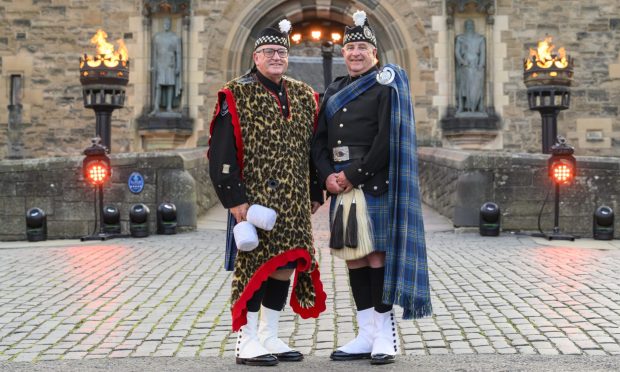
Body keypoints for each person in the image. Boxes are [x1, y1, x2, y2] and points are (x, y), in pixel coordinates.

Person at [311, 10, 432, 365]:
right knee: (354, 258)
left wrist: (354, 175)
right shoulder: (333, 90)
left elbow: (387, 139)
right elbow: (318, 141)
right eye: (350, 47)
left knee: (376, 255)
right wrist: (326, 176)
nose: (355, 53)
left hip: (372, 181)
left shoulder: (385, 84)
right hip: (342, 185)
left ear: (375, 53)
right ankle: (365, 334)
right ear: (344, 52)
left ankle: (386, 334)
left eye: (363, 47)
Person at [208, 19, 326, 367]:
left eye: (281, 52)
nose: (276, 57)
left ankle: (269, 334)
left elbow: (311, 148)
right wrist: (234, 200)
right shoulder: (236, 93)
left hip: (294, 202)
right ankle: (246, 340)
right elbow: (220, 153)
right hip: (254, 202)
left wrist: (316, 189)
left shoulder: (304, 95)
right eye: (269, 52)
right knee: (253, 267)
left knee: (286, 265)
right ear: (256, 57)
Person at [150, 17, 182, 114]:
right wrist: (153, 65)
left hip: (170, 64)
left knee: (170, 85)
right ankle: (156, 107)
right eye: (165, 23)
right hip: (160, 64)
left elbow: (178, 53)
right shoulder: (157, 37)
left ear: (170, 24)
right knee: (159, 85)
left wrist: (178, 66)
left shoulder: (174, 37)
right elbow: (154, 53)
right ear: (163, 24)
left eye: (168, 23)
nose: (166, 24)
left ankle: (169, 107)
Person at [455, 19, 486, 114]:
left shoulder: (480, 38)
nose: (469, 26)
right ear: (465, 26)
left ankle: (479, 106)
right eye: (467, 24)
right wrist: (462, 61)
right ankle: (461, 106)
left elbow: (482, 53)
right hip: (465, 65)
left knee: (478, 86)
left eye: (471, 24)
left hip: (476, 65)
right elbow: (457, 52)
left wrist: (481, 64)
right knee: (463, 86)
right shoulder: (460, 38)